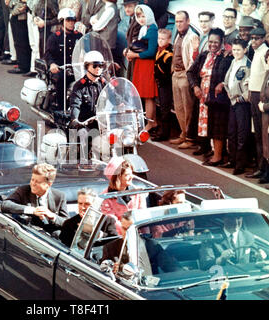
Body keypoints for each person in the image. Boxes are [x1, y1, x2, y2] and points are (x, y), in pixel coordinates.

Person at [187, 28, 233, 167]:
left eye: (216, 42)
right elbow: (190, 72)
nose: (213, 45)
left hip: (218, 97)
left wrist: (223, 84)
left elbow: (230, 75)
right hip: (203, 96)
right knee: (208, 125)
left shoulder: (226, 57)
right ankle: (213, 152)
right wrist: (195, 86)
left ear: (222, 42)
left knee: (218, 126)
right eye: (210, 41)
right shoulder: (204, 55)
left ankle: (218, 156)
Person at [0, 163, 69, 233]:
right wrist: (32, 210)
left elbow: (68, 224)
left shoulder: (59, 196)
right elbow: (5, 205)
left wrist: (53, 216)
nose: (33, 184)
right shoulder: (24, 190)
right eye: (32, 180)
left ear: (48, 184)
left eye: (38, 182)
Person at [169, 10, 200, 149]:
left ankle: (189, 137)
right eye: (176, 21)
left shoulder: (192, 36)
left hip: (185, 74)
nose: (179, 24)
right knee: (178, 108)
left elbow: (194, 59)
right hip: (175, 74)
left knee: (188, 108)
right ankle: (183, 133)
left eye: (181, 21)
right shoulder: (178, 35)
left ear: (188, 21)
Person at [69, 50, 106, 160]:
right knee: (82, 135)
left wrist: (121, 104)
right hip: (85, 123)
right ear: (87, 67)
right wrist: (75, 119)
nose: (98, 68)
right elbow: (75, 104)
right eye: (95, 65)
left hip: (101, 123)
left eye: (101, 65)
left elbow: (113, 97)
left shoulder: (103, 83)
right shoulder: (79, 86)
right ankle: (82, 163)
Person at [127, 4, 158, 133]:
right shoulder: (144, 28)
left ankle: (150, 123)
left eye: (143, 16)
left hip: (147, 64)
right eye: (139, 16)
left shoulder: (152, 30)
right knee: (144, 95)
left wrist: (135, 54)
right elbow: (139, 46)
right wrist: (130, 52)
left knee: (148, 96)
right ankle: (153, 121)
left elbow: (151, 52)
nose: (141, 18)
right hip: (141, 63)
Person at [44, 8, 82, 110]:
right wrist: (52, 64)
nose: (71, 23)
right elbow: (48, 54)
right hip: (60, 69)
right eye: (68, 20)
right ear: (62, 22)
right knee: (62, 79)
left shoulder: (79, 36)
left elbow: (86, 50)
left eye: (72, 20)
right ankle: (61, 109)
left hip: (75, 69)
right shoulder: (55, 37)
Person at [223, 38, 251, 175]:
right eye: (234, 49)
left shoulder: (247, 65)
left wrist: (242, 97)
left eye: (238, 50)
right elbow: (228, 80)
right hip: (232, 101)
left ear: (245, 50)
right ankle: (232, 159)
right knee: (231, 132)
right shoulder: (233, 62)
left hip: (242, 103)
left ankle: (240, 164)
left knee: (242, 134)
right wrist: (228, 92)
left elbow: (249, 85)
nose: (235, 52)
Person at [100, 156, 146, 235]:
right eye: (127, 175)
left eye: (131, 174)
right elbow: (113, 221)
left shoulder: (137, 192)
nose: (131, 177)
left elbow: (143, 214)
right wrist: (129, 232)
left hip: (139, 232)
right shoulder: (106, 196)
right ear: (117, 177)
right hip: (118, 236)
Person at [245, 27, 269, 180]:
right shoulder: (256, 51)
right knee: (258, 134)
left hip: (261, 96)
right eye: (252, 38)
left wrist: (261, 96)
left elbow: (266, 74)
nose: (253, 41)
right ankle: (260, 166)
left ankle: (264, 167)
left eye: (257, 38)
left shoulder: (265, 51)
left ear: (263, 39)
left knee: (263, 133)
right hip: (253, 93)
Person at [152, 28, 173, 142]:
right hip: (160, 83)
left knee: (165, 109)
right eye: (159, 38)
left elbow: (168, 72)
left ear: (169, 40)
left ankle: (165, 133)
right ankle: (161, 129)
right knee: (161, 108)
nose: (160, 41)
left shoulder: (169, 54)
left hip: (166, 84)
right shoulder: (159, 50)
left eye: (163, 39)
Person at [6, 0, 32, 74]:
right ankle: (21, 64)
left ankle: (23, 66)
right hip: (16, 13)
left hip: (21, 16)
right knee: (17, 41)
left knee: (21, 42)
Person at [258, 49, 269, 185]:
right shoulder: (267, 73)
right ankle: (267, 172)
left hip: (266, 111)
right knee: (266, 144)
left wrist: (264, 106)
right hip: (266, 116)